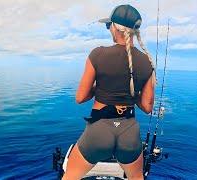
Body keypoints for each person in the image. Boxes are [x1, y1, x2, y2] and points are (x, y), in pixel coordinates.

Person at [62, 4, 156, 180]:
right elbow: (147, 106)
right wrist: (131, 90)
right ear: (135, 31)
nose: (108, 29)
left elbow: (80, 97)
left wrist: (101, 87)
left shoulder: (97, 54)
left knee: (70, 176)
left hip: (99, 130)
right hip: (129, 131)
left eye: (108, 25)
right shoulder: (147, 62)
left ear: (114, 27)